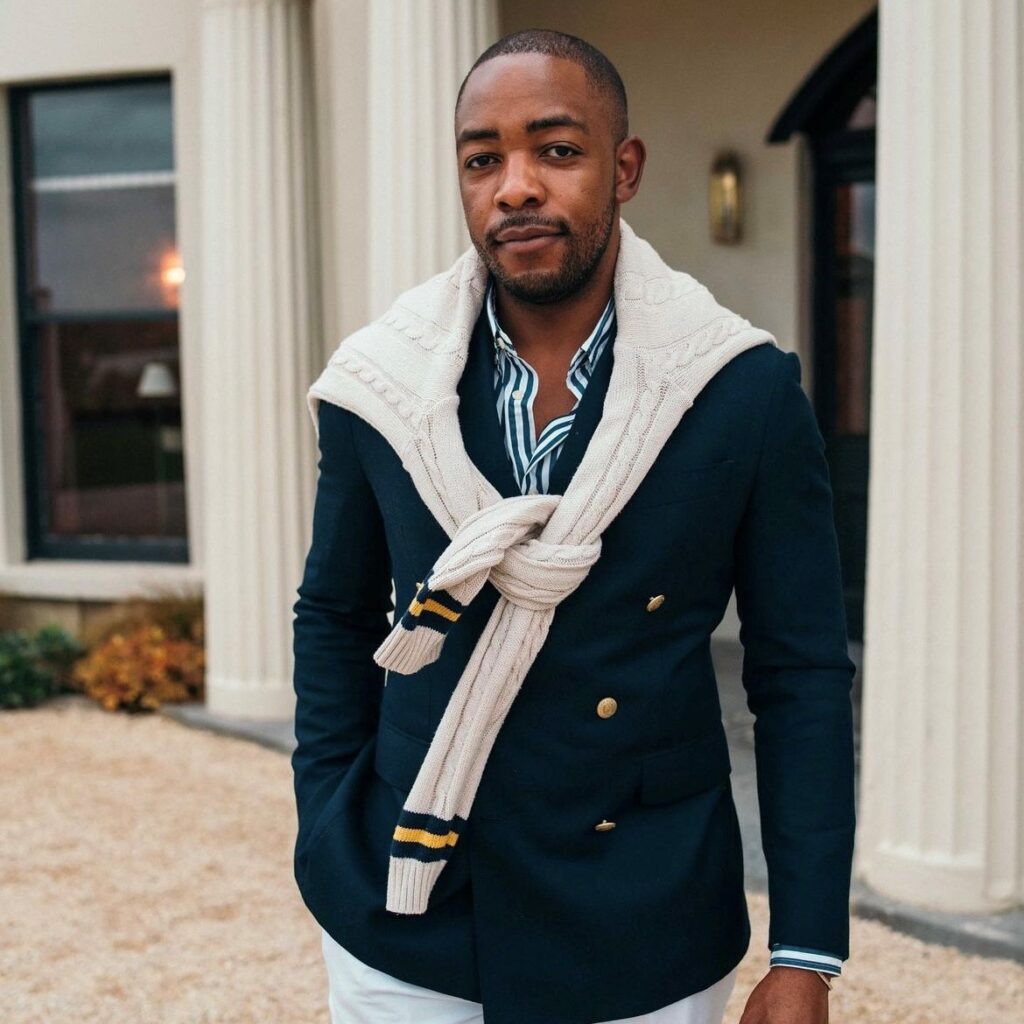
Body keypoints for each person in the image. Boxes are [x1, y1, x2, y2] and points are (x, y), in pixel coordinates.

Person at [291, 27, 855, 1024]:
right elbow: (333, 616)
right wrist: (327, 817)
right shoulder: (375, 386)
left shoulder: (742, 389)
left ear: (623, 168)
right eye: (483, 159)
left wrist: (803, 948)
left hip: (644, 913)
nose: (515, 186)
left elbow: (799, 672)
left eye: (556, 149)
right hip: (408, 907)